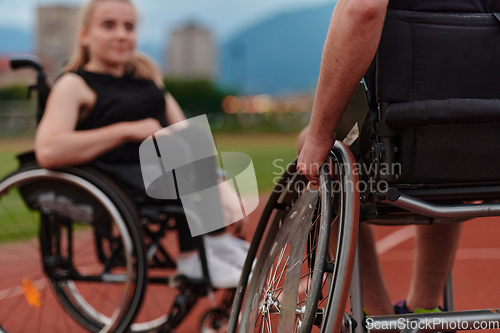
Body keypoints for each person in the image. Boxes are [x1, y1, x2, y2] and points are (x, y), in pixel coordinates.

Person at [297, 0, 500, 316]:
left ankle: (378, 314)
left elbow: (363, 9)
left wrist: (319, 134)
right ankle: (424, 307)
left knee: (323, 153)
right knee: (456, 140)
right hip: (488, 151)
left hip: (404, 147)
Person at [34, 0, 248, 289]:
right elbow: (48, 150)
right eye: (109, 25)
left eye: (129, 27)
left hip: (158, 167)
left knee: (194, 142)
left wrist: (214, 173)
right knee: (179, 164)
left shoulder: (148, 80)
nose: (122, 35)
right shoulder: (74, 84)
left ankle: (219, 242)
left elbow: (186, 133)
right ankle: (192, 259)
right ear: (85, 35)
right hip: (117, 174)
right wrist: (127, 130)